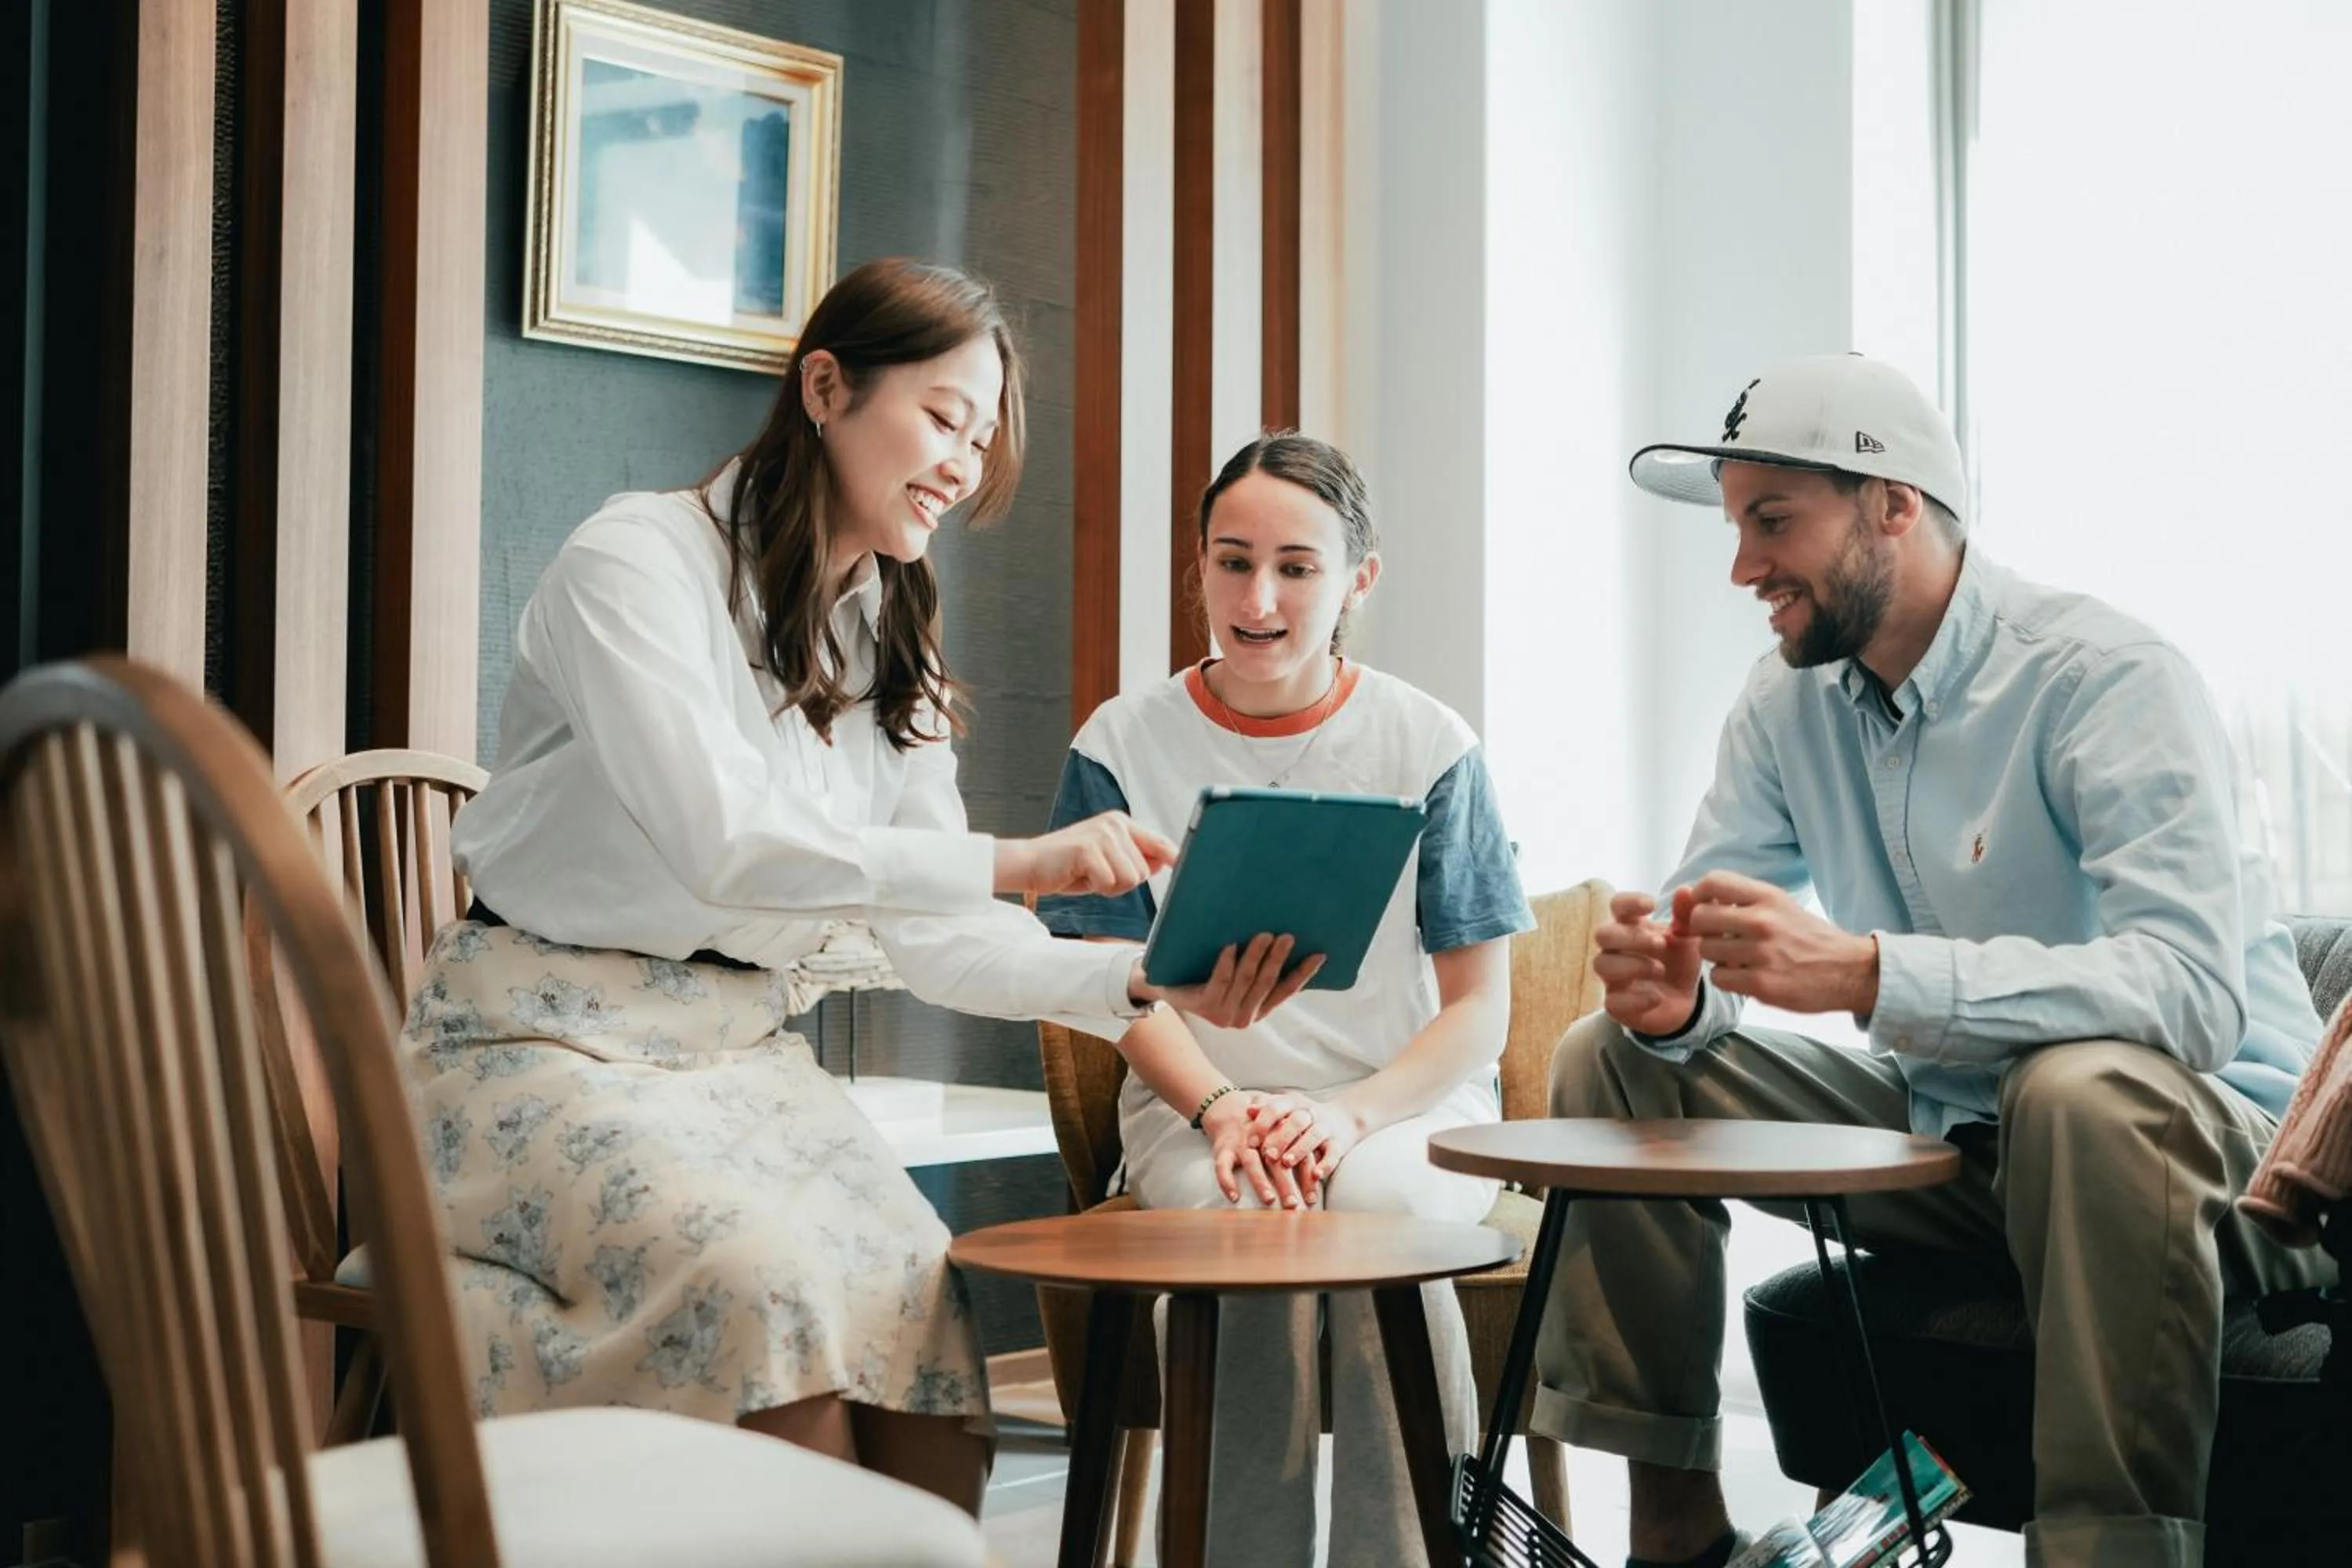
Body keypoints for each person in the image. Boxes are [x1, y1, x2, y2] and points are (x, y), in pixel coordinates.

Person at [408, 258, 1311, 1515]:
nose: (964, 464)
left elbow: (938, 942)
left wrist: (1140, 976)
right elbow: (723, 842)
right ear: (826, 386)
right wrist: (1019, 861)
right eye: (944, 419)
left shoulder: (889, 627)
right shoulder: (632, 562)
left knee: (916, 1283)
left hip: (738, 1052)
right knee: (762, 1280)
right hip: (537, 1039)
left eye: (982, 438)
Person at [1528, 353, 2336, 1568]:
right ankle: (1677, 1539)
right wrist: (1670, 1002)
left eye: (1772, 520)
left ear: (1891, 504)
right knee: (1615, 1063)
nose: (1742, 566)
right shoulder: (1784, 704)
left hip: (2219, 1166)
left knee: (2077, 1092)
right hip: (1961, 1149)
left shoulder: (2106, 680)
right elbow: (1695, 950)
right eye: (1738, 524)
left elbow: (2193, 996)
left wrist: (1868, 976)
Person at [1039, 431, 1536, 1566]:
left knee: (1379, 1216)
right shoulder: (1119, 743)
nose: (1257, 598)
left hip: (1403, 1109)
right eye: (1232, 561)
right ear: (1200, 567)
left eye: (1297, 567)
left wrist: (1351, 1114)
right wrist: (1225, 1109)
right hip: (1197, 1112)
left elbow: (1478, 1013)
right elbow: (1099, 988)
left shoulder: (1430, 744)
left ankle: (1406, 1557)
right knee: (1253, 1234)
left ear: (1359, 579)